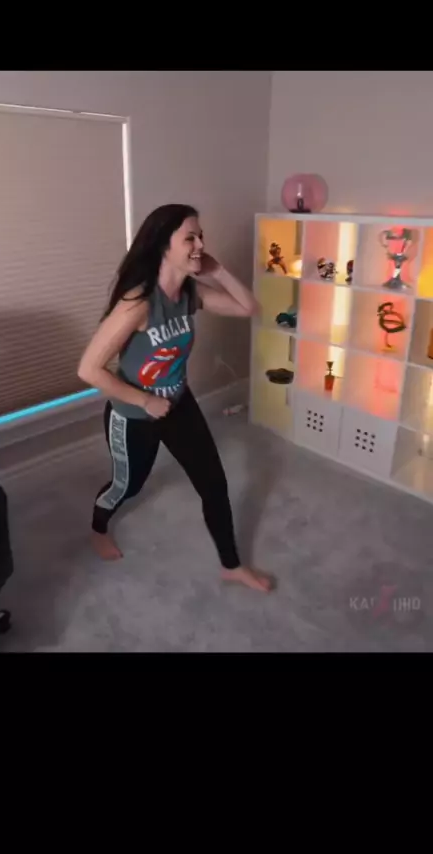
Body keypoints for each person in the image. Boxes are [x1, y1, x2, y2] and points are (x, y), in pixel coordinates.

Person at [78, 204, 271, 592]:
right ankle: (98, 527)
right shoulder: (138, 303)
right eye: (190, 238)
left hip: (179, 404)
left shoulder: (189, 293)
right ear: (163, 246)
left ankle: (231, 565)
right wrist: (145, 402)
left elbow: (249, 307)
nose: (200, 244)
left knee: (213, 484)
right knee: (127, 486)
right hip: (133, 415)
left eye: (201, 237)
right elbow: (89, 369)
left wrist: (217, 270)